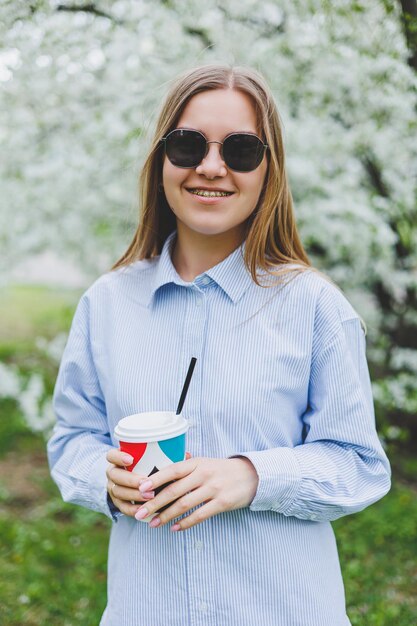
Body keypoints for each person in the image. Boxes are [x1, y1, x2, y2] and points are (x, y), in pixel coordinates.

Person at [47, 64, 391, 626]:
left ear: (268, 170)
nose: (211, 167)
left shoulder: (316, 308)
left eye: (241, 150)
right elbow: (72, 440)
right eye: (186, 145)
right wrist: (103, 480)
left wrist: (252, 476)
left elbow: (359, 465)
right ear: (162, 159)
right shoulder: (107, 304)